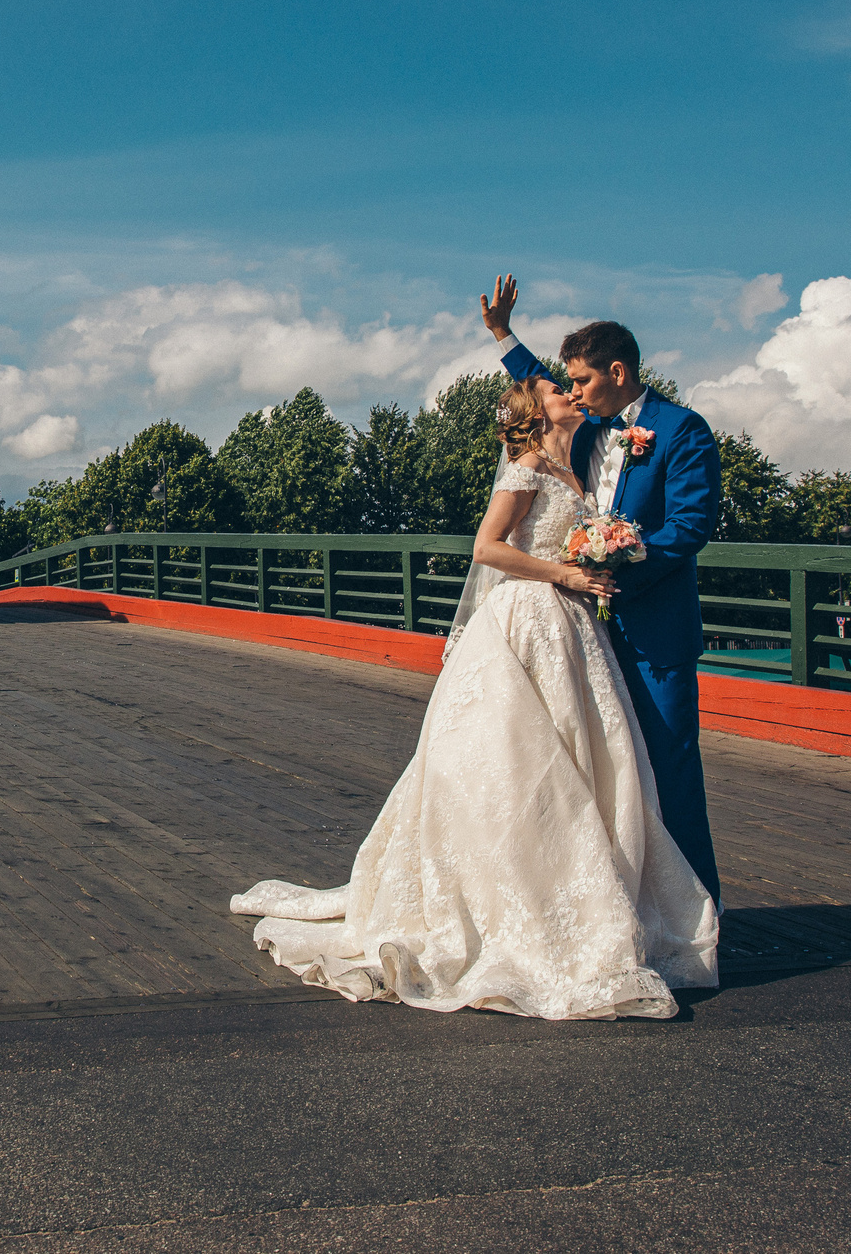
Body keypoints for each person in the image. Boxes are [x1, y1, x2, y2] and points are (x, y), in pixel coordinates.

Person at [230, 376, 717, 1018]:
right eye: (554, 387)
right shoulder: (523, 468)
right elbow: (488, 548)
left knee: (581, 759)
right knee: (512, 761)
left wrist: (596, 564)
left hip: (570, 625)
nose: (568, 389)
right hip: (525, 618)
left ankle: (576, 894)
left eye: (572, 380)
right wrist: (563, 570)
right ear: (535, 410)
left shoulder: (578, 466)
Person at [480, 276, 724, 905]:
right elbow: (543, 386)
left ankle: (697, 909)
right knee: (603, 774)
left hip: (653, 628)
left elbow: (691, 525)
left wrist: (619, 570)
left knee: (669, 766)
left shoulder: (682, 430)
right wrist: (503, 335)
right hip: (579, 632)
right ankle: (622, 904)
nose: (574, 392)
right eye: (572, 385)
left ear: (617, 371)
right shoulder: (586, 424)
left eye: (583, 381)